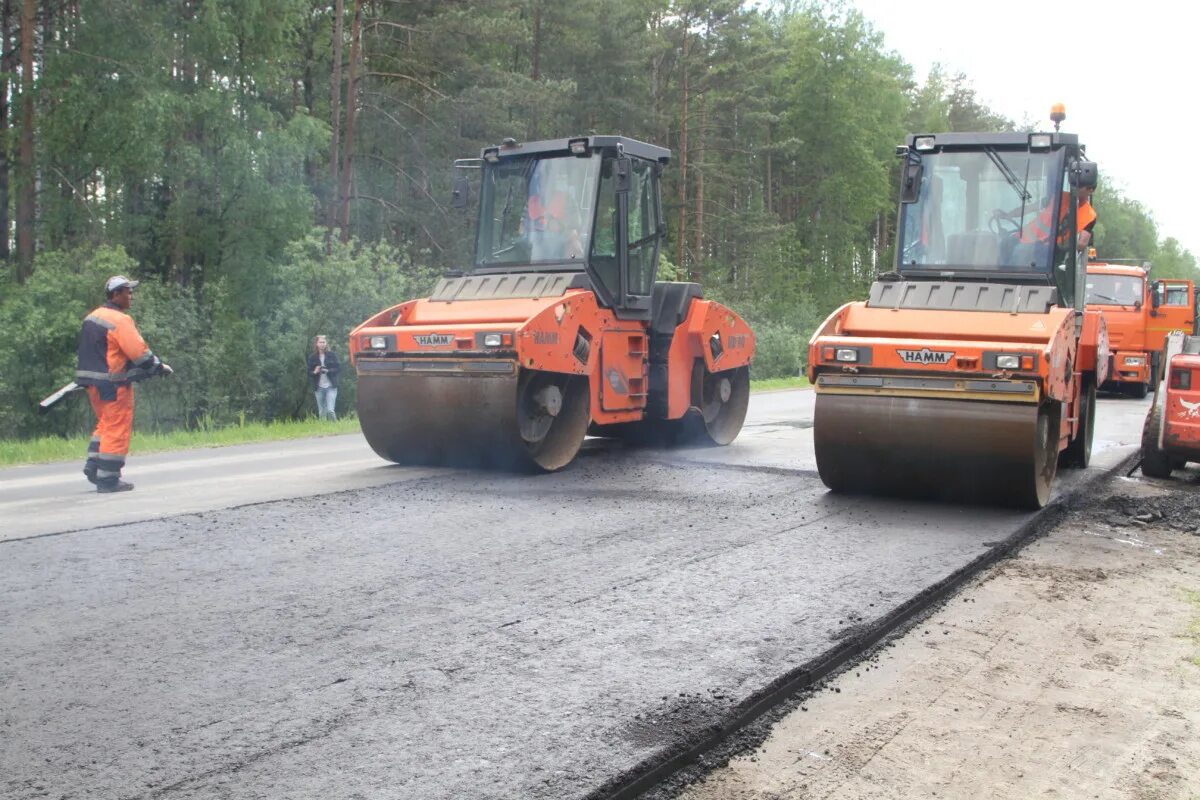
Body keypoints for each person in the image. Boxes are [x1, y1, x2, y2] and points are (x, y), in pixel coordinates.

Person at [76, 275, 173, 493]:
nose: (131, 296)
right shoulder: (120, 320)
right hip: (114, 385)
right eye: (128, 292)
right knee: (117, 427)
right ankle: (108, 479)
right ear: (116, 294)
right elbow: (139, 352)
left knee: (105, 424)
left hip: (93, 384)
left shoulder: (92, 317)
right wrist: (158, 367)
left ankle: (94, 466)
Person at [307, 335, 341, 421]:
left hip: (331, 386)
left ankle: (335, 427)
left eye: (324, 342)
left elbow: (339, 368)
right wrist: (315, 372)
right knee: (322, 412)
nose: (322, 344)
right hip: (318, 387)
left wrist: (328, 371)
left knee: (330, 410)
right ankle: (323, 429)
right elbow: (309, 372)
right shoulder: (312, 357)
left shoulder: (332, 355)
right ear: (316, 344)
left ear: (326, 344)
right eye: (320, 342)